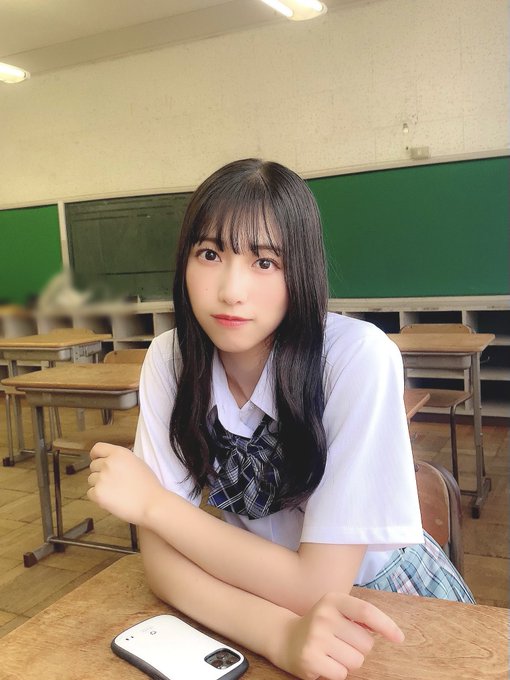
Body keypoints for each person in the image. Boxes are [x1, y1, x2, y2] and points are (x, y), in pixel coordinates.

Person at [87, 158, 474, 680]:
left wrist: (154, 505)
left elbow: (320, 587)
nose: (231, 290)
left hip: (384, 603)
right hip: (248, 605)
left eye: (265, 262)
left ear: (301, 270)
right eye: (210, 254)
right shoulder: (170, 359)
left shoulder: (355, 358)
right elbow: (160, 565)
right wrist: (277, 634)